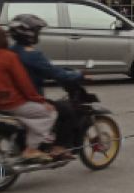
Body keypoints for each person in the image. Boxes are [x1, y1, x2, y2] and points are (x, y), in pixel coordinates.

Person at [0, 26, 57, 163]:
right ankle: (31, 149)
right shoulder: (8, 57)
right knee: (49, 113)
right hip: (8, 103)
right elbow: (24, 83)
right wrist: (40, 100)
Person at [8, 15, 84, 158]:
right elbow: (54, 72)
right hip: (30, 99)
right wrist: (78, 75)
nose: (38, 34)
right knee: (67, 111)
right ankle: (59, 147)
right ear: (29, 33)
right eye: (37, 31)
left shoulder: (12, 51)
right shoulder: (32, 55)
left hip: (15, 98)